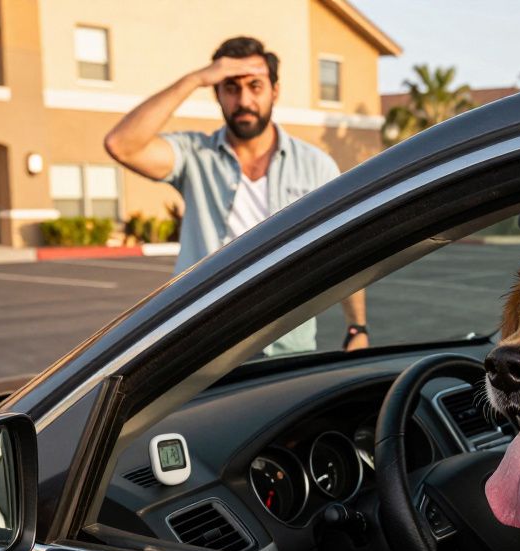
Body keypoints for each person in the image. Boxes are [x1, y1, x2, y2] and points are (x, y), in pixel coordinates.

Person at [104, 36, 368, 355]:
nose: (243, 100)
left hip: (287, 347)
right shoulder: (195, 156)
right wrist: (195, 79)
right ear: (217, 93)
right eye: (231, 87)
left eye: (255, 86)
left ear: (275, 91)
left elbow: (344, 246)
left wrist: (357, 327)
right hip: (202, 349)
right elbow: (122, 144)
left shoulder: (316, 165)